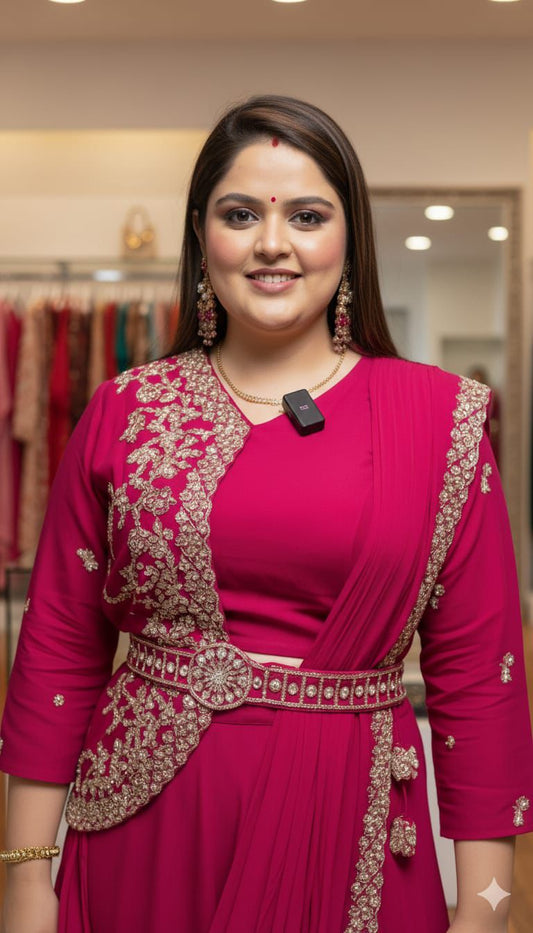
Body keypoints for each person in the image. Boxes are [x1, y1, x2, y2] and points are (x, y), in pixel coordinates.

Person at [1, 94, 532, 933]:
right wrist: (27, 880)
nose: (271, 243)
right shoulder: (126, 410)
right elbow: (61, 647)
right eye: (240, 214)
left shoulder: (441, 421)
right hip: (149, 827)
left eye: (307, 215)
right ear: (199, 236)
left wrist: (486, 907)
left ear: (348, 237)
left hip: (349, 826)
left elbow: (479, 680)